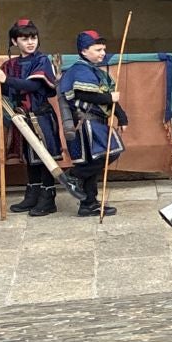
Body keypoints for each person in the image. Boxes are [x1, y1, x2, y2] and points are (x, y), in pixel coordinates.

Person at [0, 18, 61, 218]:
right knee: (30, 158)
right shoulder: (9, 65)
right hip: (21, 118)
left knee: (44, 156)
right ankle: (32, 194)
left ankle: (48, 197)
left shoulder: (41, 61)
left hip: (40, 116)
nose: (30, 42)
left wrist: (6, 80)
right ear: (15, 42)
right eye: (24, 39)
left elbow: (34, 86)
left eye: (33, 37)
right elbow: (6, 89)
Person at [59, 30, 127, 218]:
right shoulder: (79, 70)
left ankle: (89, 203)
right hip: (86, 122)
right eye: (97, 49)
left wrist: (122, 117)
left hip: (97, 122)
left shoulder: (94, 70)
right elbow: (84, 94)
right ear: (83, 51)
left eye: (103, 49)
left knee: (94, 160)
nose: (102, 53)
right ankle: (74, 175)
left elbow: (110, 99)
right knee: (108, 154)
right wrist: (108, 97)